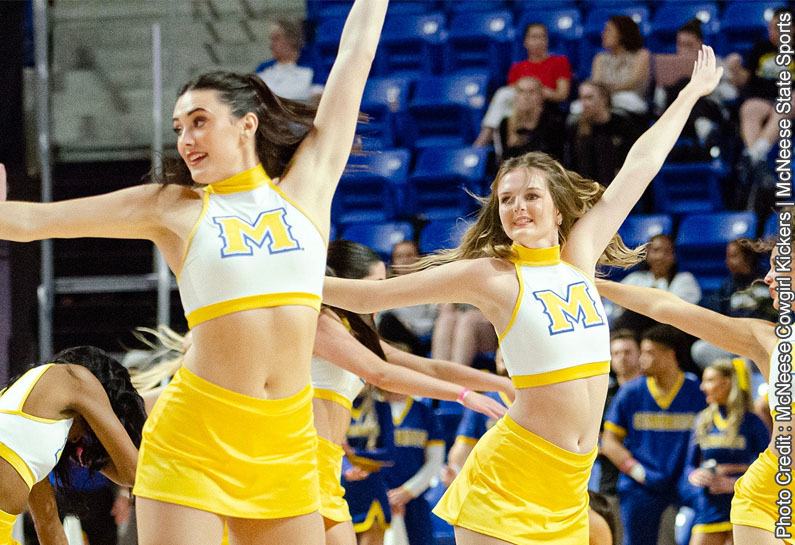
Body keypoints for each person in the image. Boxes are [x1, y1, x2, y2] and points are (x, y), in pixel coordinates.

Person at [0, 1, 390, 543]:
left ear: (246, 124)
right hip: (194, 440)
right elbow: (36, 222)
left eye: (200, 122)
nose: (186, 140)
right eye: (180, 127)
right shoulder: (174, 208)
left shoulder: (309, 187)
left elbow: (356, 53)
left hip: (286, 447)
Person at [322, 46, 723, 544]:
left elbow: (639, 166)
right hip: (511, 477)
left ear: (559, 209)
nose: (516, 207)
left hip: (570, 485)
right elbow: (368, 299)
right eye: (506, 199)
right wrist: (274, 279)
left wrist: (688, 95)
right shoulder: (491, 275)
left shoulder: (578, 256)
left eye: (531, 195)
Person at [596, 216, 795, 544]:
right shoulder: (769, 341)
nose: (769, 277)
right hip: (768, 499)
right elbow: (666, 306)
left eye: (780, 266)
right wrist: (599, 285)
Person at [0, 346, 145, 545]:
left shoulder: (24, 426)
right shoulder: (76, 378)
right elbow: (135, 473)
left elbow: (47, 523)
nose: (81, 439)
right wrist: (93, 455)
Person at [601, 325, 707, 545]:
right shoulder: (631, 392)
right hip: (642, 479)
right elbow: (610, 442)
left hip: (685, 478)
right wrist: (636, 470)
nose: (641, 359)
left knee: (715, 502)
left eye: (649, 353)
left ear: (670, 354)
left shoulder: (697, 391)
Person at [684, 359, 769, 545]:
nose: (702, 387)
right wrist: (695, 476)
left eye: (709, 380)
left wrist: (735, 482)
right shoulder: (702, 421)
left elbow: (768, 468)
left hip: (745, 505)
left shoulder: (752, 422)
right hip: (710, 507)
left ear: (726, 382)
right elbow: (689, 466)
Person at [474, 22, 572, 146]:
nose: (539, 41)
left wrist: (537, 91)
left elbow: (562, 94)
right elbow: (513, 95)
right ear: (525, 42)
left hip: (547, 107)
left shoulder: (559, 62)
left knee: (503, 94)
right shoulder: (517, 68)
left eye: (542, 37)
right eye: (534, 37)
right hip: (518, 108)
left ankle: (486, 135)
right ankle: (508, 150)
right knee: (507, 99)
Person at [691, 239, 776, 370]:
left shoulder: (768, 279)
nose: (728, 262)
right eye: (728, 257)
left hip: (766, 342)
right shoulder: (727, 286)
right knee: (700, 350)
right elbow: (720, 319)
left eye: (733, 256)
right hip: (737, 342)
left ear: (748, 257)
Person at [727, 8, 794, 164]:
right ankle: (756, 160)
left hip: (790, 101)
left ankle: (757, 154)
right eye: (770, 27)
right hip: (763, 99)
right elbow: (744, 80)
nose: (772, 32)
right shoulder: (760, 48)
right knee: (749, 108)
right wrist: (735, 69)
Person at [381, 390, 444, 545]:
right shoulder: (370, 410)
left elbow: (435, 463)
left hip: (414, 499)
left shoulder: (425, 413)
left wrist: (407, 491)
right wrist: (382, 494)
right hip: (373, 497)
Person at [607, 234, 702, 337]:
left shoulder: (684, 279)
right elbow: (618, 308)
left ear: (674, 256)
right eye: (656, 250)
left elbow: (681, 312)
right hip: (635, 332)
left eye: (667, 251)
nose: (661, 256)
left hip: (669, 333)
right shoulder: (635, 279)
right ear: (647, 255)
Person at [565, 79, 645, 189]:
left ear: (603, 99)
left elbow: (636, 157)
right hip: (587, 189)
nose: (584, 103)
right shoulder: (576, 127)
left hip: (622, 186)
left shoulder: (623, 124)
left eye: (589, 98)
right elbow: (573, 165)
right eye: (581, 98)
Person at [377, 240, 438, 356]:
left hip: (417, 339)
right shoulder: (386, 287)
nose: (405, 260)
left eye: (409, 255)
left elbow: (434, 323)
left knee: (388, 320)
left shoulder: (430, 286)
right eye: (399, 256)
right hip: (387, 335)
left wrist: (410, 325)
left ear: (419, 258)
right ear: (393, 261)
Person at [494, 77, 565, 165]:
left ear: (541, 95)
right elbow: (503, 161)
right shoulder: (504, 124)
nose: (526, 96)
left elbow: (557, 160)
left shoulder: (554, 123)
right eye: (521, 91)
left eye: (531, 92)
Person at [255, 18, 321, 103]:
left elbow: (318, 97)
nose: (272, 44)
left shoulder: (312, 68)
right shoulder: (263, 69)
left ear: (292, 40)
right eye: (271, 39)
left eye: (277, 39)